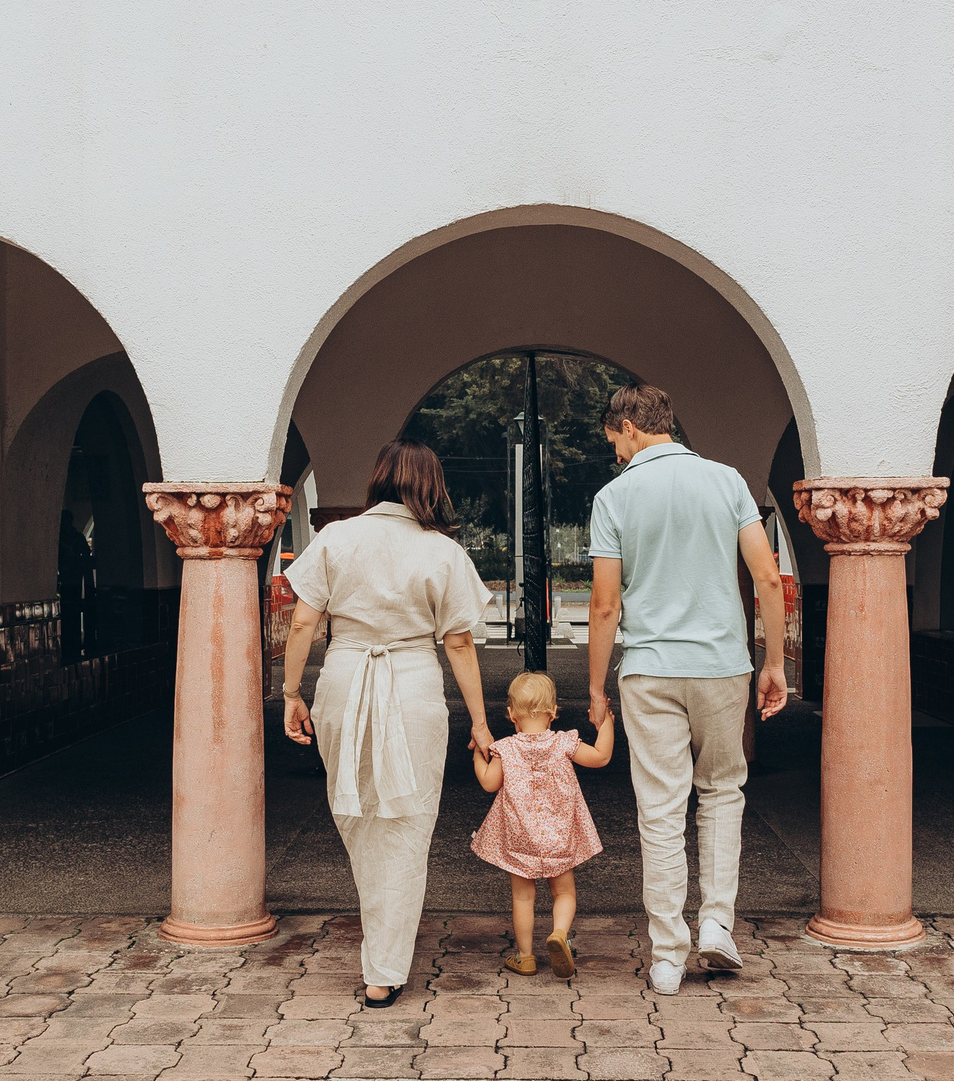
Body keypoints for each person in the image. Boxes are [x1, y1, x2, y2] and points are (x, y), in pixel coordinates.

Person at [584, 384, 790, 995]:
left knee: (660, 807)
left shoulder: (613, 497)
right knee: (723, 791)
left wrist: (596, 687)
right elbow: (766, 578)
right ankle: (717, 924)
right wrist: (774, 662)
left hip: (649, 669)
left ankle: (668, 954)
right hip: (722, 665)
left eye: (612, 443)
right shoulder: (727, 482)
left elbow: (603, 604)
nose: (613, 455)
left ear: (629, 426)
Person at [280, 441, 496, 1007]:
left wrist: (290, 693)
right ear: (431, 485)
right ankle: (385, 965)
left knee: (358, 817)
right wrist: (478, 720)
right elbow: (459, 641)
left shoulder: (335, 538)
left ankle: (382, 946)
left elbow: (303, 623)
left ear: (380, 479)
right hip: (413, 685)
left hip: (344, 678)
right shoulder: (442, 552)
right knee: (408, 822)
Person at [470, 670, 614, 979]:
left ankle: (525, 957)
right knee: (564, 894)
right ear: (553, 713)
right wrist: (606, 724)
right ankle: (559, 934)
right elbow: (601, 757)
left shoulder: (505, 749)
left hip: (520, 837)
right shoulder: (564, 744)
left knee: (523, 898)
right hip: (559, 837)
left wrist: (478, 758)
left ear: (511, 714)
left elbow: (489, 783)